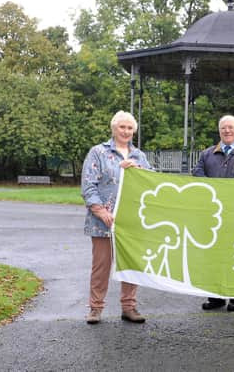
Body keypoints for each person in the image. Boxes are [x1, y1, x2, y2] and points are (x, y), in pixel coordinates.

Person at [81, 110, 153, 325]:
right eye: (122, 127)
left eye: (130, 128)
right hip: (103, 221)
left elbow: (151, 182)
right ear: (114, 128)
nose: (126, 131)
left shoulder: (139, 155)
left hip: (130, 221)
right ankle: (95, 308)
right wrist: (101, 211)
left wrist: (139, 170)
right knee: (101, 265)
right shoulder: (98, 152)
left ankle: (129, 307)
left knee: (130, 264)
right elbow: (88, 184)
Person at [192, 114, 234, 312]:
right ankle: (216, 296)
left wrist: (222, 187)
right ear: (219, 131)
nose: (227, 131)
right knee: (212, 254)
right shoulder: (207, 154)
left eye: (231, 128)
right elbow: (197, 173)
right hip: (213, 213)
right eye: (223, 128)